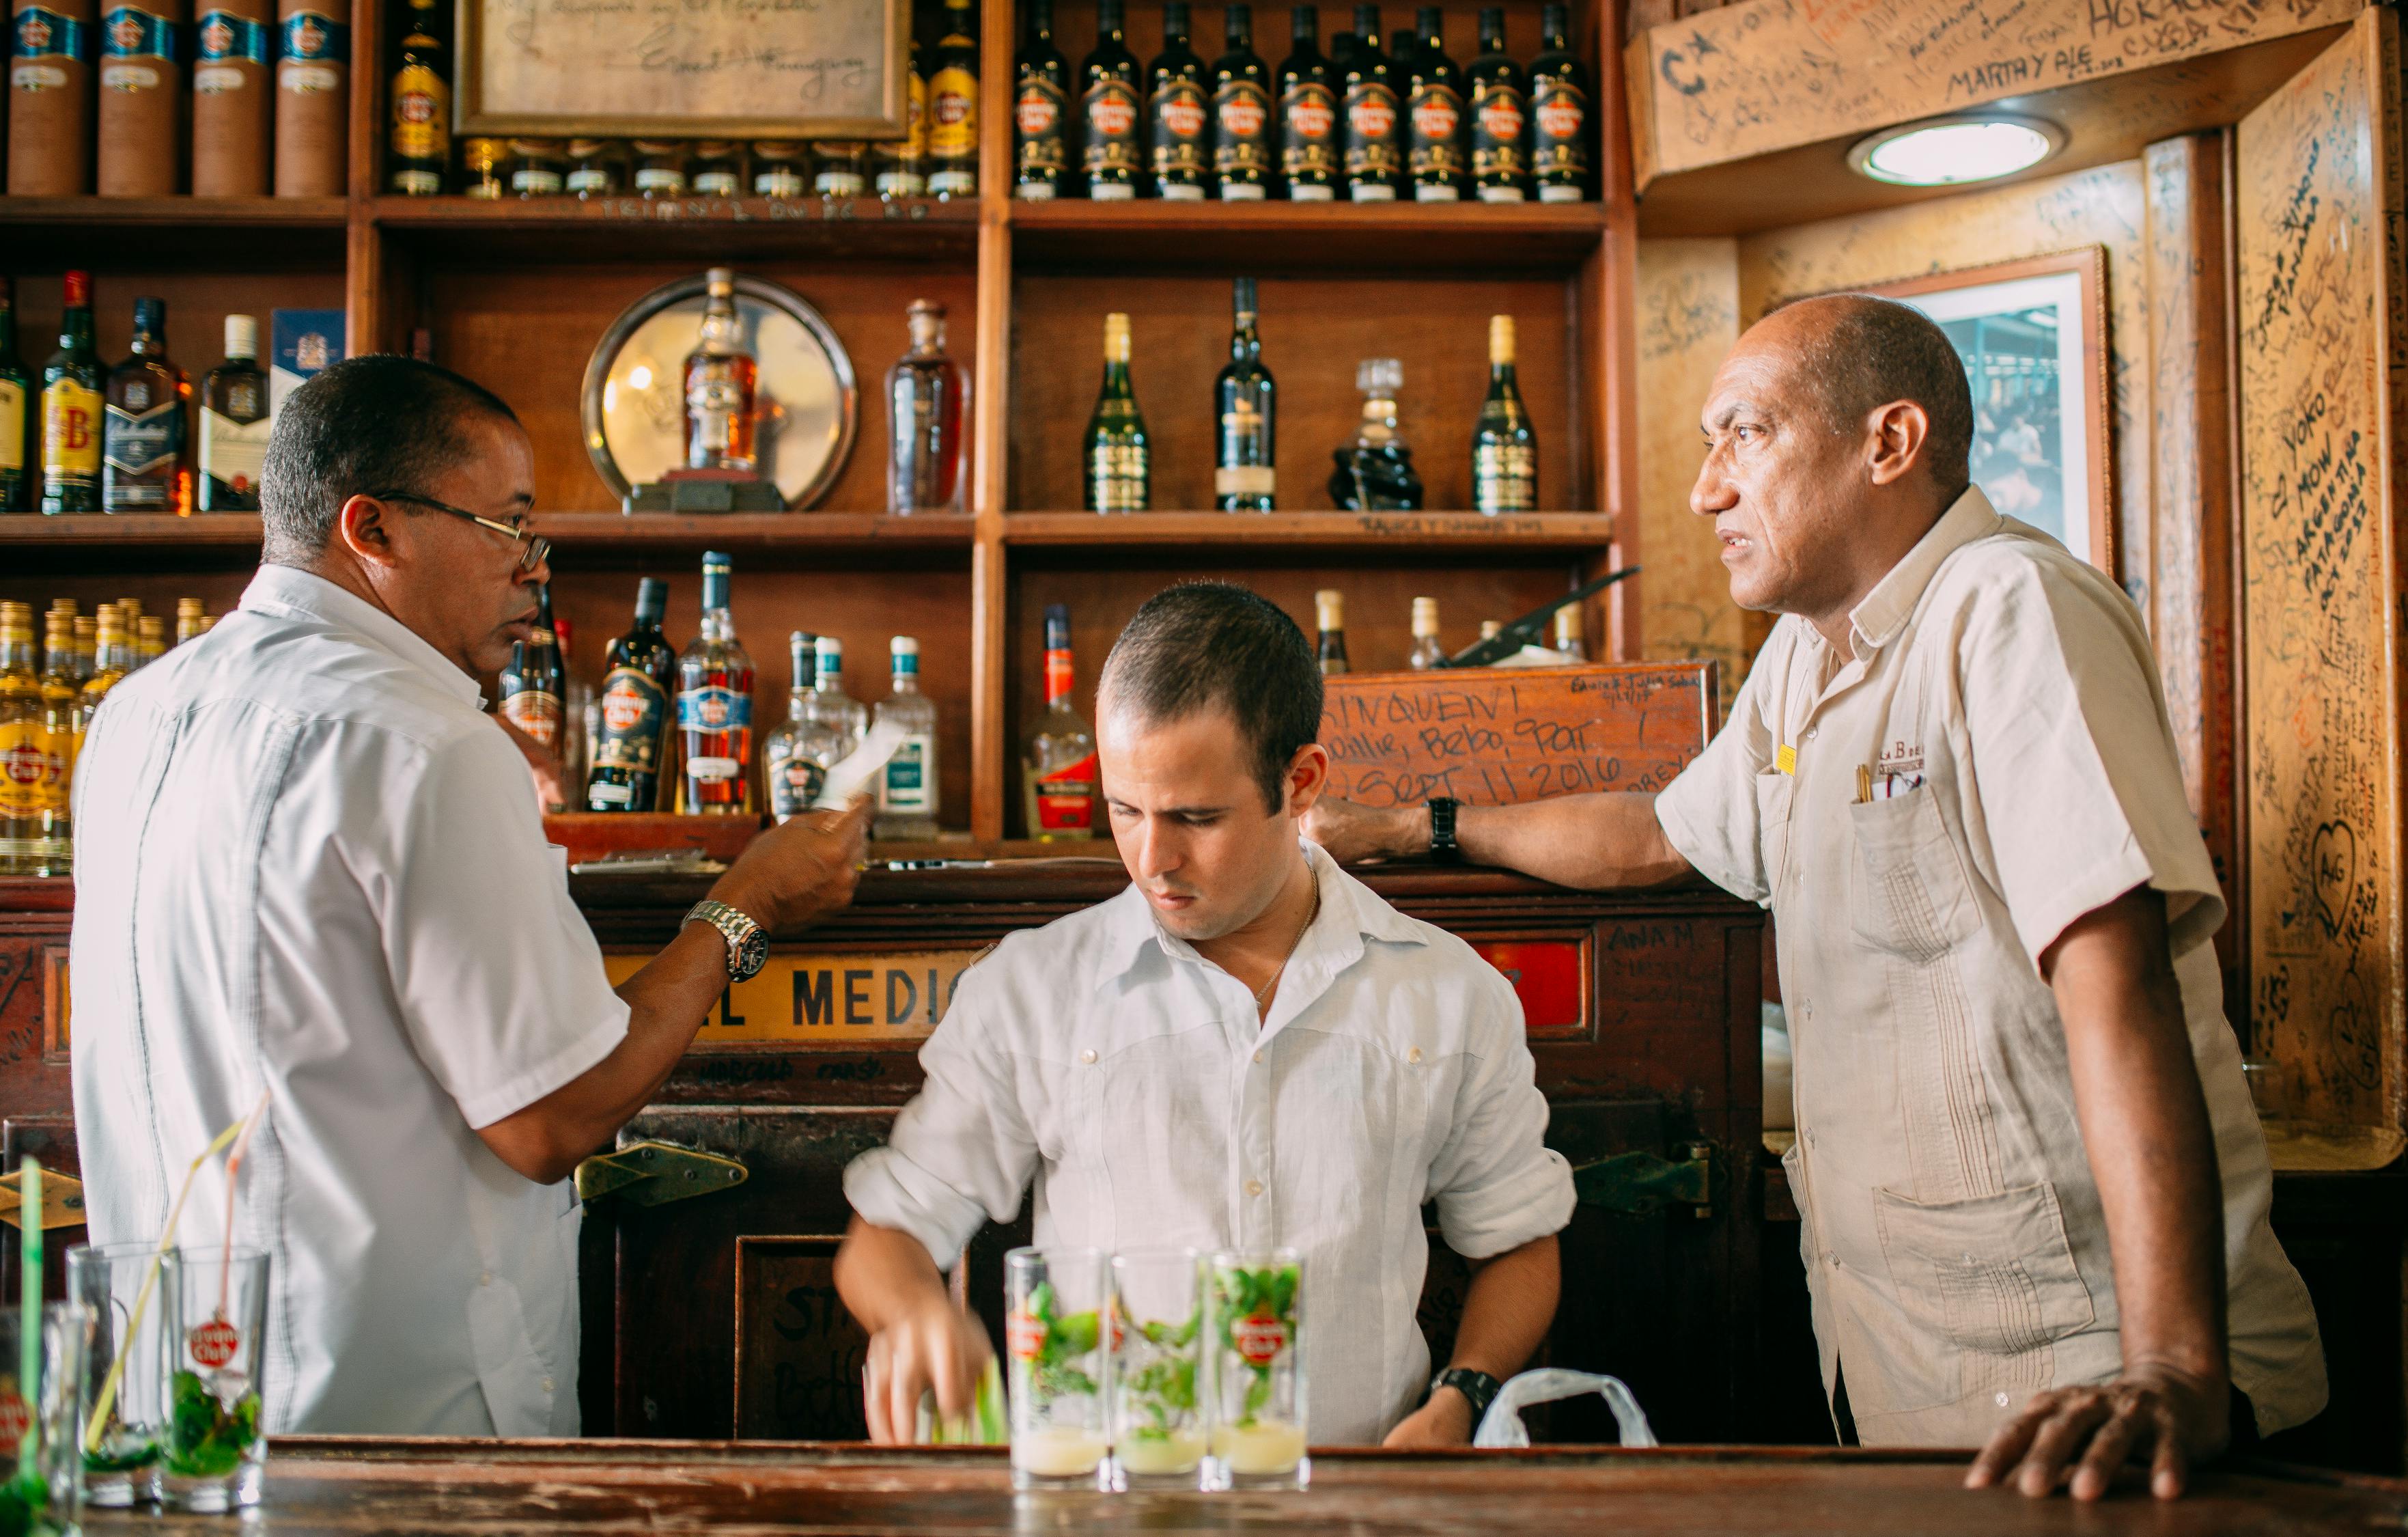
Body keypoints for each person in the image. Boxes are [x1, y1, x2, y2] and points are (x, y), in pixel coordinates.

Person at [1304, 295, 2325, 1498]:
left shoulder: (2008, 611)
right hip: (1909, 1384)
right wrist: (1426, 826)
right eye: (1706, 443)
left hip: (2100, 1391)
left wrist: (2172, 1369)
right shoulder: (1809, 656)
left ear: (1887, 443)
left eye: (1745, 434)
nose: (1706, 489)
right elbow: (1660, 834)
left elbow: (2118, 982)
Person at [70, 355, 871, 1435]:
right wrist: (744, 906)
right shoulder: (422, 739)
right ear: (375, 529)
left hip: (169, 1397)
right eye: (507, 526)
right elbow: (552, 1115)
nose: (533, 569)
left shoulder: (136, 713)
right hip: (392, 1420)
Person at [835, 582, 1573, 1446]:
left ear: (1300, 784)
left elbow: (1517, 1242)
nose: (1153, 859)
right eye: (1123, 810)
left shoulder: (1448, 992)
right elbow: (886, 1236)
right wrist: (916, 1311)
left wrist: (1461, 1400)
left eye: (1195, 817)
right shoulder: (1032, 988)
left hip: (1359, 1499)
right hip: (1111, 1505)